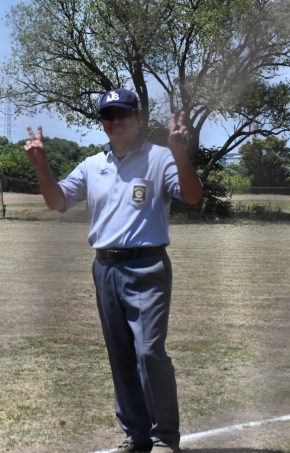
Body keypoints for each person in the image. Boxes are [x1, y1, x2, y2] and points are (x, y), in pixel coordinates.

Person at [24, 88, 202, 453]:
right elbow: (57, 201)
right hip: (105, 268)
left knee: (148, 352)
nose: (115, 121)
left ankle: (165, 437)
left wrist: (181, 153)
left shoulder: (160, 157)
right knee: (120, 355)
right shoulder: (92, 165)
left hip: (147, 265)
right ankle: (136, 435)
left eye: (123, 113)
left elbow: (192, 195)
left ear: (139, 118)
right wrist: (42, 167)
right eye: (108, 116)